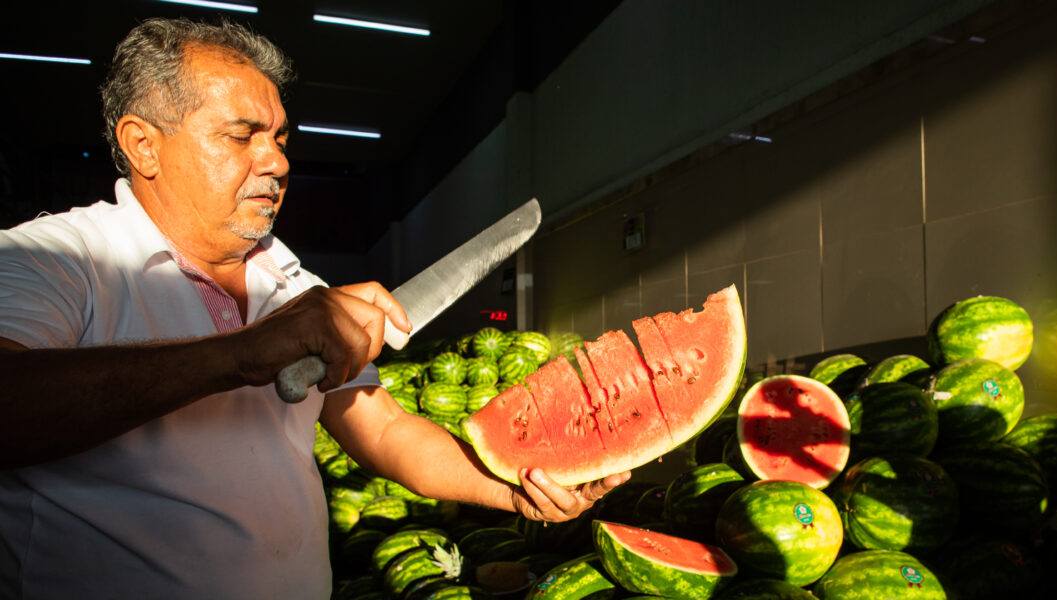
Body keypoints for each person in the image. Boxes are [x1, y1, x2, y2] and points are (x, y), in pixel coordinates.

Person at [0, 17, 628, 598]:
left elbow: (385, 431)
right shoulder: (55, 256)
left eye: (279, 138)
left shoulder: (293, 279)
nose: (277, 162)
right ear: (143, 145)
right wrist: (241, 354)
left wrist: (513, 487)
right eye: (241, 136)